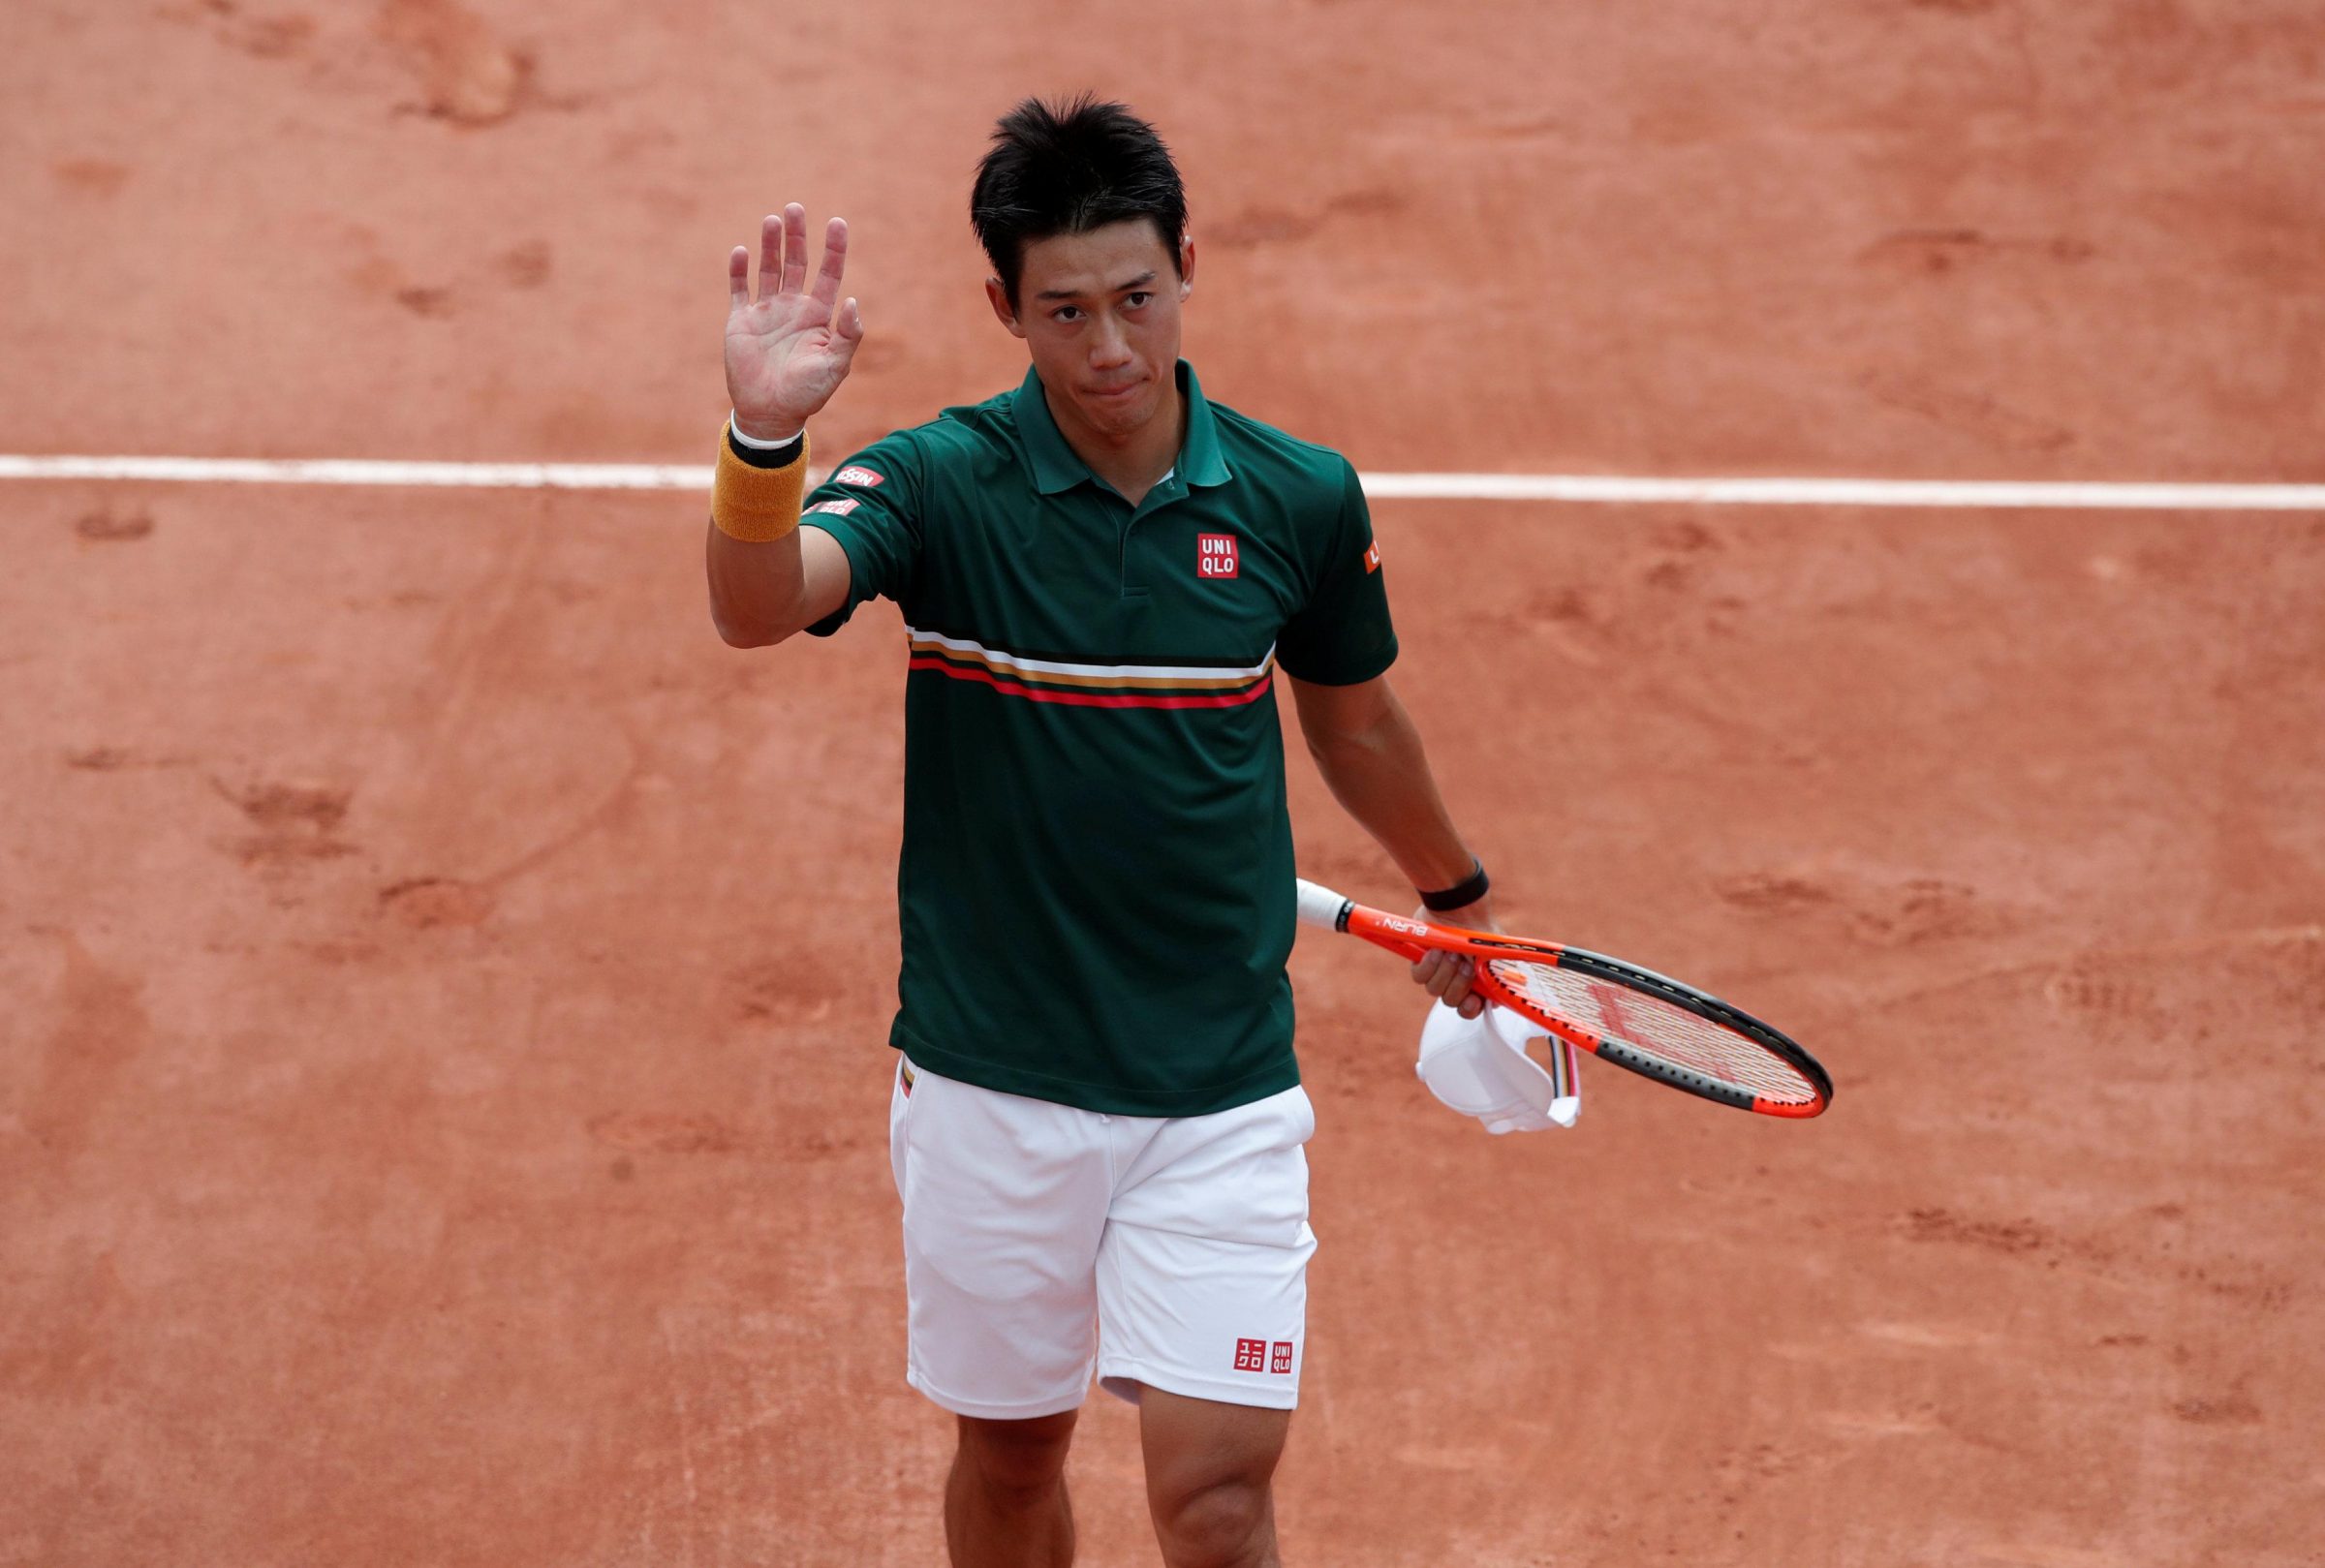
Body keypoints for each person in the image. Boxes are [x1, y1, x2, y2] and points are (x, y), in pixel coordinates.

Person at [705, 95, 1496, 1568]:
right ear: (1005, 309)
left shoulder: (1298, 498)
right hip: (991, 1085)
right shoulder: (938, 484)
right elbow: (758, 607)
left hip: (1220, 1094)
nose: (1112, 346)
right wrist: (765, 441)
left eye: (1138, 297)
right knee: (1013, 1466)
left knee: (1219, 1508)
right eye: (1065, 312)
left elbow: (1355, 725)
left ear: (1187, 265)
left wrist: (1457, 896)